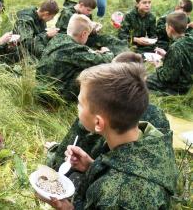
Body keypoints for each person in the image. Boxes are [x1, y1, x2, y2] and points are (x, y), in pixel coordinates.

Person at [41, 62, 177, 209]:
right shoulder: (153, 140)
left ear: (98, 123)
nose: (77, 107)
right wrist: (92, 166)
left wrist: (66, 208)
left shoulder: (115, 197)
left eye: (80, 103)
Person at [36, 14, 113, 102]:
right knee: (91, 72)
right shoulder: (74, 49)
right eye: (88, 35)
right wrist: (107, 52)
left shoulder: (57, 38)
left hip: (40, 88)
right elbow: (101, 61)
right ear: (84, 34)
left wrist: (92, 53)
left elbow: (81, 53)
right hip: (52, 96)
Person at [55, 0, 128, 55]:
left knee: (108, 38)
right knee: (99, 51)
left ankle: (126, 51)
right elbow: (62, 35)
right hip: (75, 42)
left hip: (86, 37)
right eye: (88, 10)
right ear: (81, 5)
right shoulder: (67, 14)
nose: (89, 13)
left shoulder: (85, 12)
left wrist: (94, 29)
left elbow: (87, 28)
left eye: (91, 11)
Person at [147, 12, 193, 95]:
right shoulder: (189, 39)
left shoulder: (175, 47)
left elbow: (167, 77)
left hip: (180, 87)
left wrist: (158, 65)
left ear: (170, 28)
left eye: (166, 26)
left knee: (145, 80)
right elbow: (184, 60)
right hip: (188, 80)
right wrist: (166, 55)